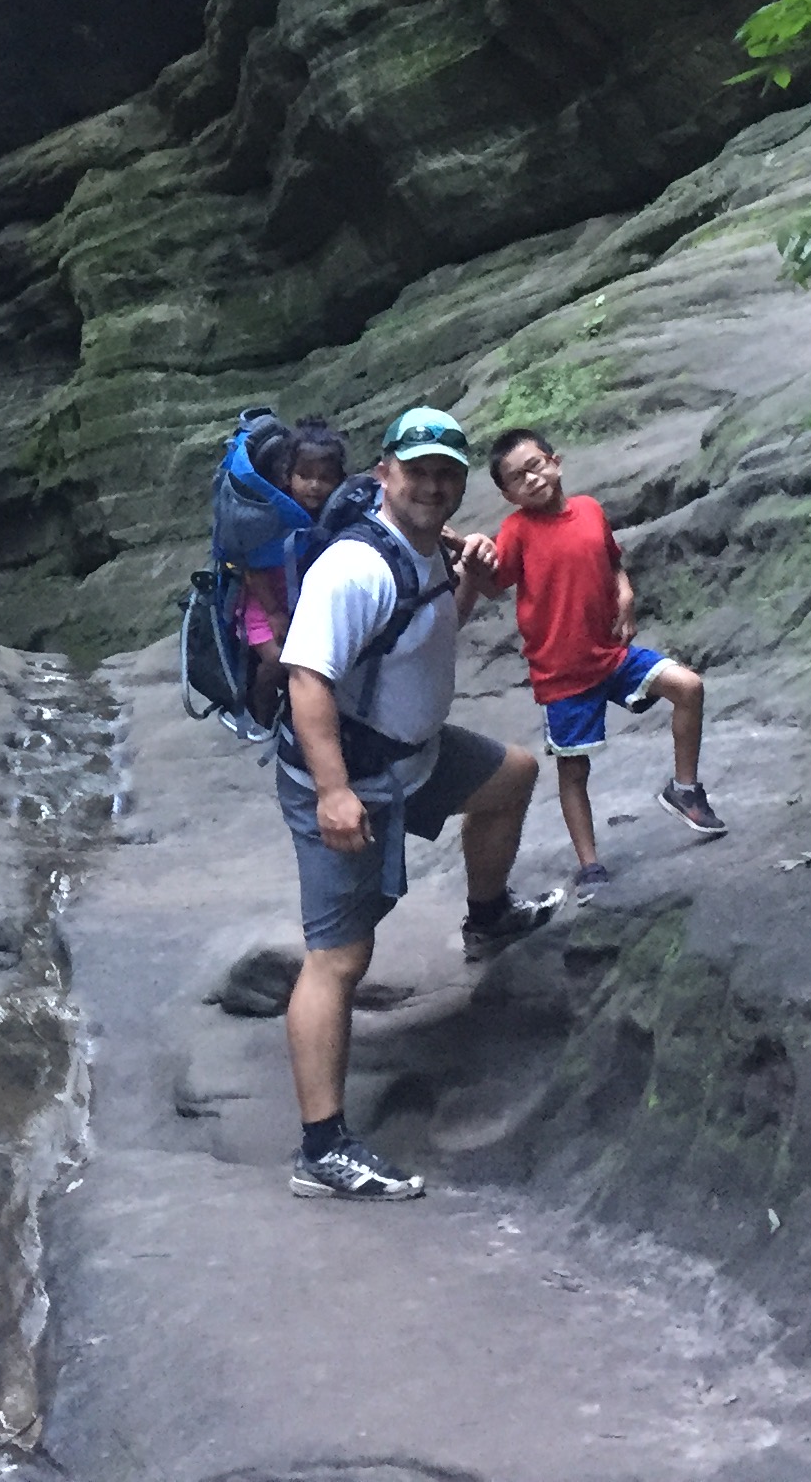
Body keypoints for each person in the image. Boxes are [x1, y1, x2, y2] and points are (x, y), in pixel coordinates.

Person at [276, 407, 557, 1203]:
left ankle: (488, 916)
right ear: (383, 475)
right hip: (352, 776)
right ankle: (322, 1149)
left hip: (418, 758)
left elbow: (423, 634)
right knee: (339, 959)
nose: (433, 484)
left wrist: (467, 581)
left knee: (511, 777)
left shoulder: (427, 552)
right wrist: (332, 793)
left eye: (446, 472)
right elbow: (308, 679)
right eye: (418, 470)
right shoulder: (354, 568)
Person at [477, 427, 726, 886]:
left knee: (688, 686)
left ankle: (685, 790)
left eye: (535, 465)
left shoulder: (589, 510)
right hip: (562, 674)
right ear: (507, 494)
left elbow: (612, 560)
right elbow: (497, 583)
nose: (531, 479)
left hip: (611, 655)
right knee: (574, 770)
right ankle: (589, 863)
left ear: (556, 461)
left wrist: (625, 593)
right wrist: (472, 560)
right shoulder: (517, 531)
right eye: (516, 478)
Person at [234, 419, 349, 705]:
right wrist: (274, 613)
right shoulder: (272, 515)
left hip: (309, 601)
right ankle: (261, 701)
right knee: (277, 660)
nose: (314, 485)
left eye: (325, 478)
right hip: (266, 602)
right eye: (304, 475)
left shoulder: (339, 513)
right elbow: (254, 567)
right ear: (288, 476)